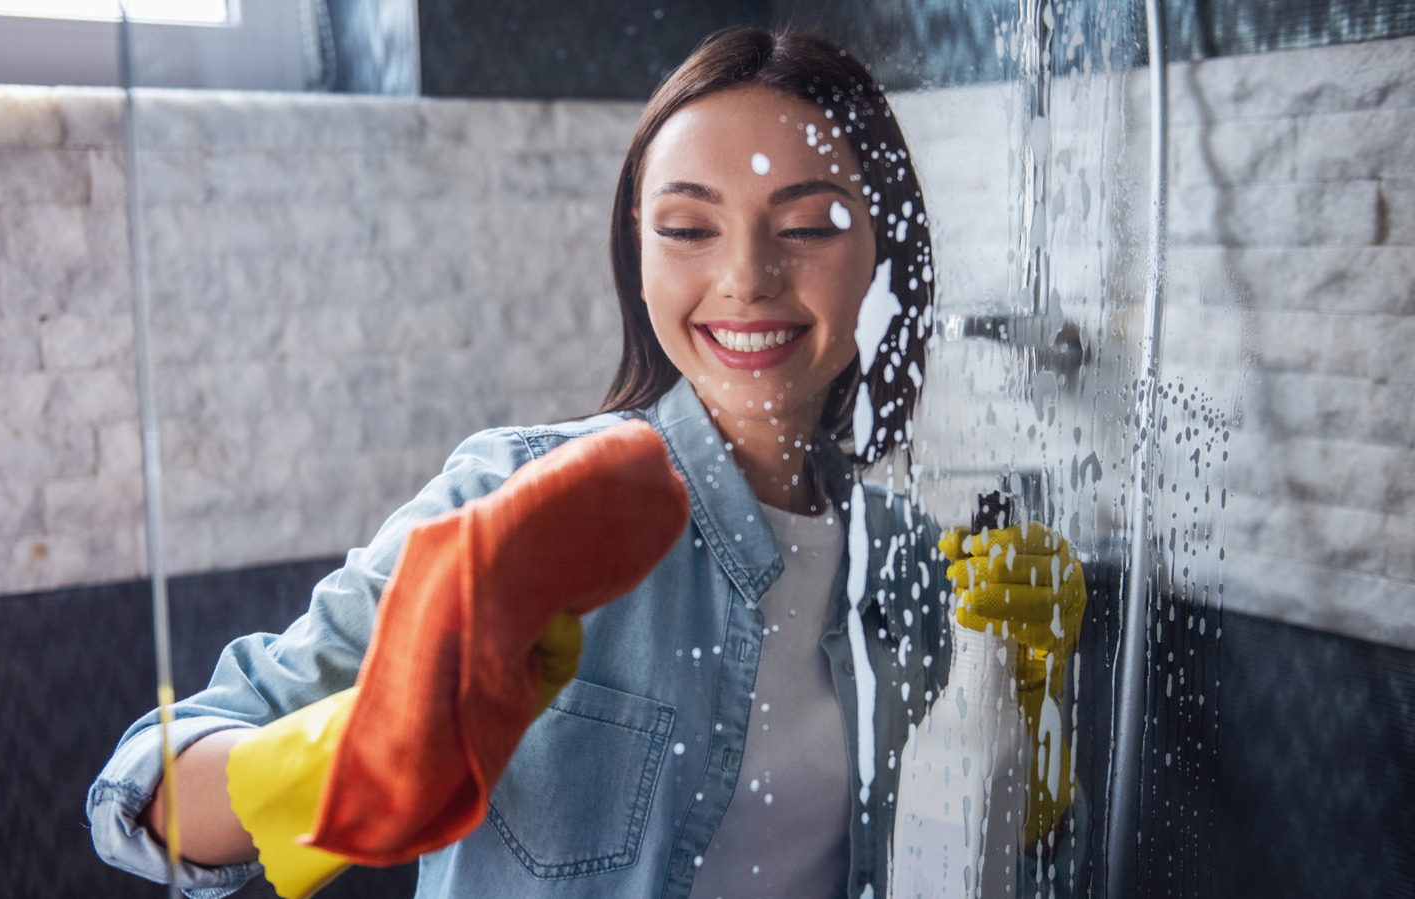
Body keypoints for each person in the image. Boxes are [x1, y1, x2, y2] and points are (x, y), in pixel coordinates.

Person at [88, 26, 1085, 899]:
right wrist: (345, 761)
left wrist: (1028, 711)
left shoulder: (913, 565)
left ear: (883, 255)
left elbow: (971, 856)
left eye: (806, 225)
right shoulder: (518, 501)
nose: (745, 277)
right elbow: (149, 791)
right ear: (638, 259)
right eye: (688, 228)